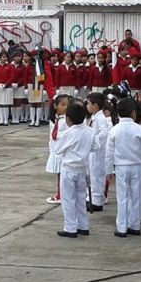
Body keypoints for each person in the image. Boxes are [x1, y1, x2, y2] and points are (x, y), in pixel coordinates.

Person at [105, 97, 141, 237]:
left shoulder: (114, 130)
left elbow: (109, 153)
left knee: (122, 196)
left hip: (121, 166)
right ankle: (135, 225)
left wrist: (109, 170)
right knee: (136, 196)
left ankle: (122, 227)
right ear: (133, 113)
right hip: (137, 165)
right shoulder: (139, 129)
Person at [53, 102, 99, 238]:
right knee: (80, 198)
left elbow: (58, 150)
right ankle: (83, 226)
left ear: (68, 119)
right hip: (82, 169)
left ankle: (70, 227)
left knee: (68, 199)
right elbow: (96, 147)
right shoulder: (90, 132)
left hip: (69, 169)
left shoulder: (68, 133)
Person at [86, 92, 110, 212]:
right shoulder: (95, 117)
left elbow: (104, 132)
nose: (87, 106)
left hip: (98, 151)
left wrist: (94, 140)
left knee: (97, 175)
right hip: (93, 151)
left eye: (89, 104)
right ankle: (94, 198)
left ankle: (97, 201)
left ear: (95, 105)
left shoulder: (101, 118)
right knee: (93, 174)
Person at [45, 94, 71, 205]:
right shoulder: (55, 119)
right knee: (59, 174)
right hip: (56, 149)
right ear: (55, 106)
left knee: (63, 174)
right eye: (63, 105)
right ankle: (60, 193)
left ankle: (62, 194)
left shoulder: (66, 120)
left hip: (63, 151)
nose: (65, 107)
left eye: (67, 105)